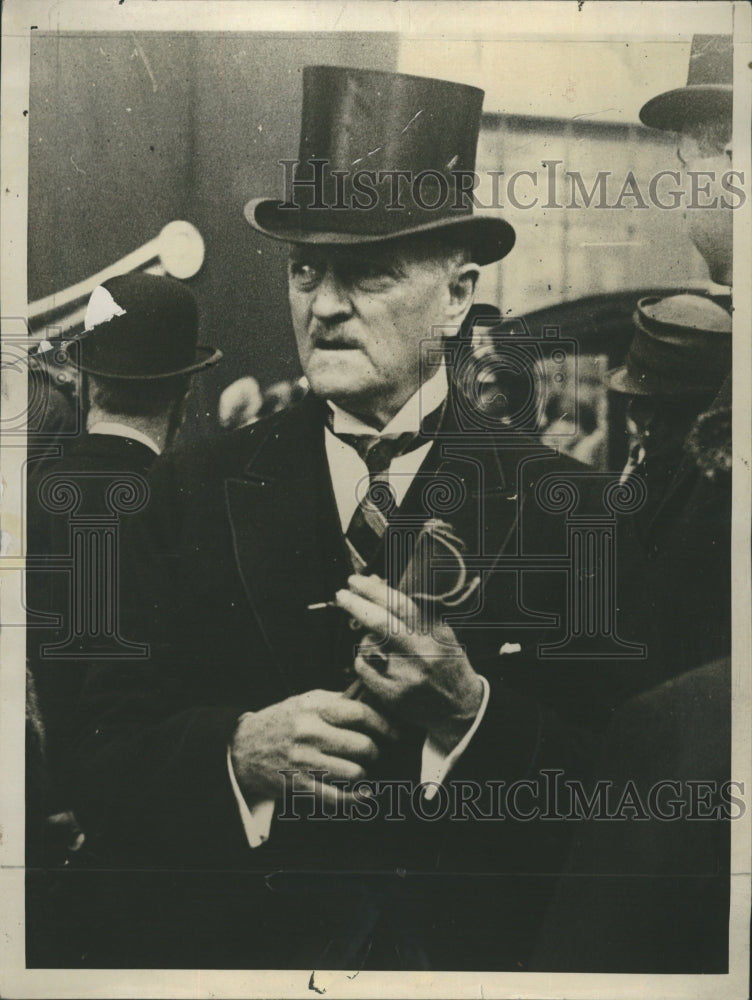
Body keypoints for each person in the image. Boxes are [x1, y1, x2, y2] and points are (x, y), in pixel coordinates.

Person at [65, 67, 628, 972]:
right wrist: (237, 755)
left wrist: (470, 713)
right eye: (304, 270)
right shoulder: (185, 491)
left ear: (457, 295)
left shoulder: (571, 507)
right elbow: (98, 752)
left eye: (366, 273)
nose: (322, 306)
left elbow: (619, 792)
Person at [26, 272, 222, 844]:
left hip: (38, 825)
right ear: (184, 396)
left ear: (86, 382)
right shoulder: (194, 508)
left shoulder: (26, 498)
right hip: (149, 832)